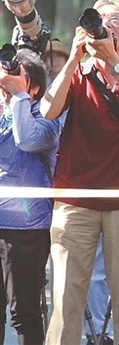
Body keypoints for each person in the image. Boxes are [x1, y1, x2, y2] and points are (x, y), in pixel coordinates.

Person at [41, 0, 119, 345]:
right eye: (99, 19)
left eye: (115, 20)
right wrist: (76, 58)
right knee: (65, 301)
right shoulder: (78, 71)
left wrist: (114, 62)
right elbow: (48, 110)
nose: (105, 24)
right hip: (75, 198)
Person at [0, 48, 62, 345]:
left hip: (25, 228)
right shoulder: (3, 114)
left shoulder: (47, 117)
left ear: (34, 86)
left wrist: (20, 98)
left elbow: (27, 141)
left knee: (23, 312)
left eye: (15, 78)